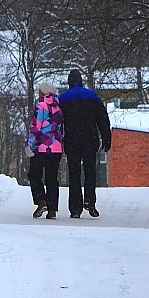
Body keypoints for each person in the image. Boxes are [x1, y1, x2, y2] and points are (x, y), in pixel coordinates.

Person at [58, 69, 111, 219]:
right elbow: (103, 118)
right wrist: (106, 139)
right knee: (90, 171)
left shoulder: (63, 99)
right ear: (81, 81)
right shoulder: (92, 96)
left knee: (73, 173)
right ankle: (90, 202)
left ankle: (75, 208)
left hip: (71, 139)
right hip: (90, 138)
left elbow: (56, 121)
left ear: (69, 82)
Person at [26, 80, 65, 219]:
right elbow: (61, 129)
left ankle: (41, 200)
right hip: (56, 147)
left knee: (34, 174)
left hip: (41, 146)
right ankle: (52, 209)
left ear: (44, 92)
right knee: (52, 178)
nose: (38, 93)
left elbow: (36, 127)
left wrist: (29, 143)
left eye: (39, 91)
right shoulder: (59, 108)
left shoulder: (41, 106)